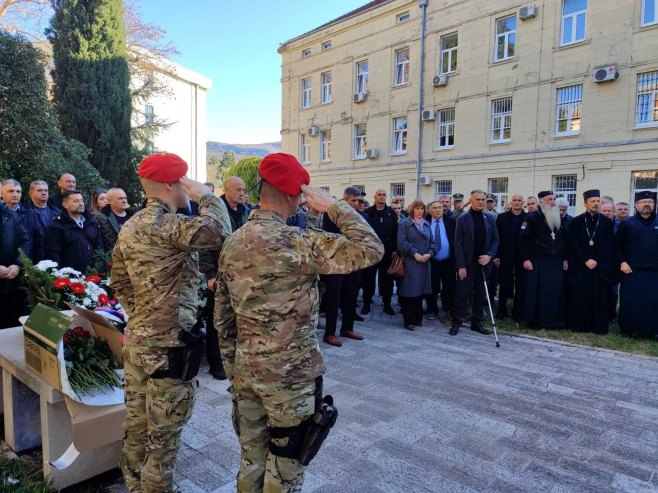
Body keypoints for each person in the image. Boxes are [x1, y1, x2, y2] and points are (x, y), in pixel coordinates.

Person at [214, 153, 383, 492]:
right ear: (294, 196)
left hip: (246, 369)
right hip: (290, 377)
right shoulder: (297, 242)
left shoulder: (233, 242)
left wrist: (234, 367)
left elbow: (223, 315)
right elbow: (371, 247)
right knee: (286, 466)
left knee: (251, 459)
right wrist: (334, 205)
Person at [111, 153, 228, 492]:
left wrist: (144, 318)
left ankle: (135, 487)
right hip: (170, 349)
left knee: (137, 428)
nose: (184, 188)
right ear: (170, 185)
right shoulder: (167, 225)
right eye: (182, 182)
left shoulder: (130, 226)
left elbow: (119, 282)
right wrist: (205, 195)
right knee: (163, 440)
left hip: (138, 342)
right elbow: (219, 231)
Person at [320, 187, 367, 346]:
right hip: (335, 263)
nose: (356, 203)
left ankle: (347, 327)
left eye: (357, 200)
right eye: (353, 200)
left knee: (351, 294)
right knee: (334, 297)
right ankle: (330, 333)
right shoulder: (332, 213)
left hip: (353, 262)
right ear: (344, 199)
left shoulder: (358, 215)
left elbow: (364, 236)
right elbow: (330, 237)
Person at [449, 190, 499, 336]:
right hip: (467, 263)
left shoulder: (489, 218)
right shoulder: (463, 219)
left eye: (483, 199)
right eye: (478, 199)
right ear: (471, 200)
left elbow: (496, 239)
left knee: (480, 294)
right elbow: (457, 244)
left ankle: (477, 323)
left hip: (483, 263)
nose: (481, 202)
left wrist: (489, 255)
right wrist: (461, 265)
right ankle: (456, 322)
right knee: (462, 294)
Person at [517, 191, 568, 328]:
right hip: (537, 261)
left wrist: (565, 258)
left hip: (556, 261)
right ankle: (536, 321)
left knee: (554, 292)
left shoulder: (559, 218)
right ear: (541, 202)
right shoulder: (532, 218)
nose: (553, 201)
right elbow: (523, 241)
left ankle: (553, 321)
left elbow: (564, 240)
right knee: (537, 293)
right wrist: (526, 259)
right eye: (549, 199)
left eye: (554, 199)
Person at [567, 190, 614, 334]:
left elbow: (609, 244)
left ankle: (598, 327)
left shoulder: (607, 222)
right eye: (592, 201)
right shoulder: (576, 221)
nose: (595, 204)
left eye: (597, 201)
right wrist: (586, 259)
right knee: (581, 296)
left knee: (599, 296)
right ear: (585, 203)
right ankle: (580, 325)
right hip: (581, 266)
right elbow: (573, 244)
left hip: (600, 267)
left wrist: (596, 260)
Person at [615, 191, 658, 338]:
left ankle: (653, 331)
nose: (647, 204)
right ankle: (628, 330)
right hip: (632, 271)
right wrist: (622, 262)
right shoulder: (627, 223)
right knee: (631, 302)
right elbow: (617, 247)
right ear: (636, 205)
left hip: (654, 272)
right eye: (643, 202)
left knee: (653, 302)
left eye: (650, 202)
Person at [396, 200, 436, 331]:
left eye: (422, 209)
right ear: (412, 210)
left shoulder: (427, 224)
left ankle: (418, 318)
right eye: (417, 208)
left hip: (425, 262)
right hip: (410, 262)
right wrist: (415, 253)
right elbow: (401, 242)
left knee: (420, 292)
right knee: (409, 292)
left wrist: (429, 254)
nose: (420, 211)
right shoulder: (404, 224)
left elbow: (433, 243)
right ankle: (409, 321)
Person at [44, 190, 104, 273]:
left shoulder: (92, 223)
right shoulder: (57, 227)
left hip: (94, 275)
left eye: (81, 200)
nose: (81, 203)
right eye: (76, 201)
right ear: (65, 205)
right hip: (70, 278)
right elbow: (53, 255)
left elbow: (100, 248)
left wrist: (99, 269)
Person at [362, 189, 398, 315]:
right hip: (372, 249)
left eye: (384, 195)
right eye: (379, 195)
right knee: (369, 278)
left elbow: (396, 232)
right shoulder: (368, 212)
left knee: (387, 279)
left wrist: (395, 249)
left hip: (388, 249)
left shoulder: (391, 212)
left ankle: (387, 304)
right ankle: (366, 303)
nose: (382, 197)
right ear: (375, 197)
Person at [494, 193, 528, 319]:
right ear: (511, 202)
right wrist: (496, 255)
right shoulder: (502, 217)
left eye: (519, 200)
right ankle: (501, 310)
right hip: (505, 256)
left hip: (522, 257)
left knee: (520, 285)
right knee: (504, 285)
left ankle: (517, 312)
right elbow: (496, 237)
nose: (517, 202)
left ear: (523, 202)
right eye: (514, 200)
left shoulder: (528, 217)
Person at [424, 200, 456, 322]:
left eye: (440, 207)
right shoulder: (425, 222)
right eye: (435, 208)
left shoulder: (452, 221)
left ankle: (449, 308)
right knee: (432, 286)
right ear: (430, 210)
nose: (438, 210)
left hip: (448, 261)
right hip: (431, 260)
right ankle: (431, 309)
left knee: (450, 286)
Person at [0, 201, 30, 328]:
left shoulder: (11, 214)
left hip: (13, 281)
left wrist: (18, 264)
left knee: (12, 325)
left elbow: (24, 241)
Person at [1, 179, 42, 261]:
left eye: (18, 192)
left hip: (26, 265)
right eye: (11, 191)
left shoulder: (31, 214)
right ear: (1, 193)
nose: (15, 195)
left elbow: (38, 242)